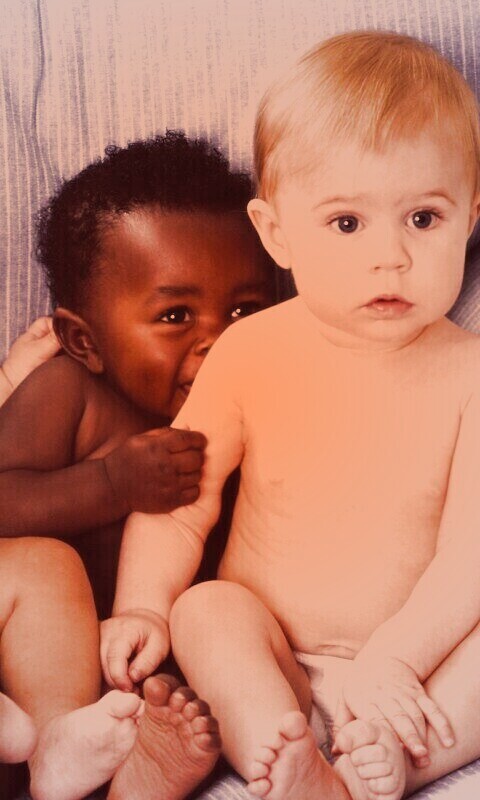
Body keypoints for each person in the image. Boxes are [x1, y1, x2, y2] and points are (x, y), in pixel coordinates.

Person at [101, 31, 480, 800]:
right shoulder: (251, 351)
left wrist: (397, 660)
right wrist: (141, 605)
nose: (390, 256)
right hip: (271, 648)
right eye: (348, 223)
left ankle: (390, 764)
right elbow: (181, 500)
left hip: (421, 663)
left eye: (423, 218)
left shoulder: (470, 373)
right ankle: (285, 748)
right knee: (206, 610)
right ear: (277, 233)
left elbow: (471, 555)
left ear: (471, 218)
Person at [0, 131, 277, 799]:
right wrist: (110, 483)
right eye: (176, 315)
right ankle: (55, 741)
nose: (219, 340)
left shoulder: (262, 402)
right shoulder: (69, 392)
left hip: (137, 665)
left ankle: (130, 773)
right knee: (45, 565)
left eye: (244, 311)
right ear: (83, 340)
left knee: (202, 670)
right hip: (28, 652)